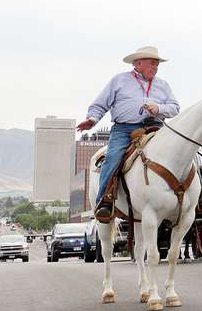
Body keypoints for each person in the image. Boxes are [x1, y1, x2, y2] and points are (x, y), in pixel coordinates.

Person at [77, 46, 180, 223]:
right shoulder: (119, 80)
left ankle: (196, 198)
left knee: (181, 152)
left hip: (155, 128)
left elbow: (175, 107)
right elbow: (100, 104)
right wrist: (92, 120)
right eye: (152, 63)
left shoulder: (163, 85)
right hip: (125, 129)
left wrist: (159, 108)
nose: (155, 68)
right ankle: (105, 200)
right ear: (138, 63)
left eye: (157, 65)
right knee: (113, 157)